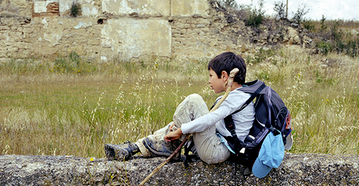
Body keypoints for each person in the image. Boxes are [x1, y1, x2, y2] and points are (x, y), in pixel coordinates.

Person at [105, 51, 291, 164]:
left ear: (225, 76)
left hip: (217, 152)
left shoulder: (237, 97)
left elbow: (210, 119)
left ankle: (170, 144)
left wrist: (181, 130)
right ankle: (133, 148)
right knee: (180, 124)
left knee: (194, 100)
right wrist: (181, 128)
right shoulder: (238, 95)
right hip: (217, 145)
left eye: (211, 75)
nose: (209, 81)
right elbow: (215, 124)